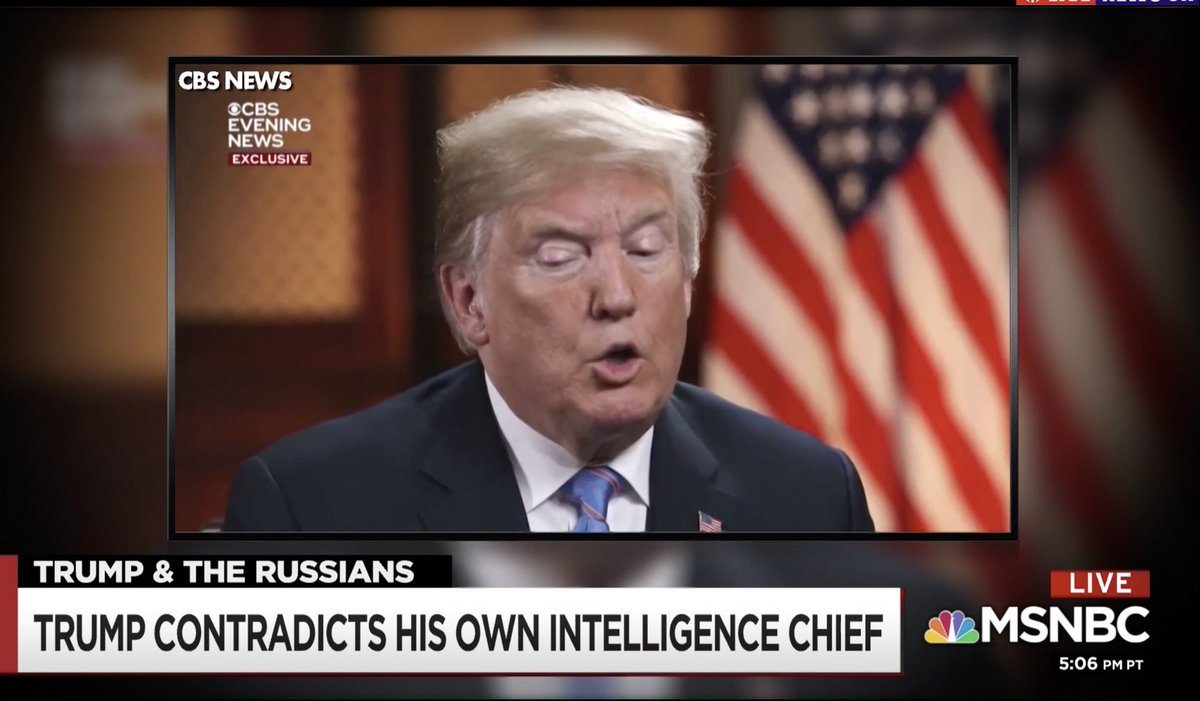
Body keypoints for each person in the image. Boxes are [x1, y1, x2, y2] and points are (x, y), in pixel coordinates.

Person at [223, 85, 874, 534]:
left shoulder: (810, 495)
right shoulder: (310, 506)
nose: (617, 296)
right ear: (469, 301)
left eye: (646, 250)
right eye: (561, 257)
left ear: (686, 282)